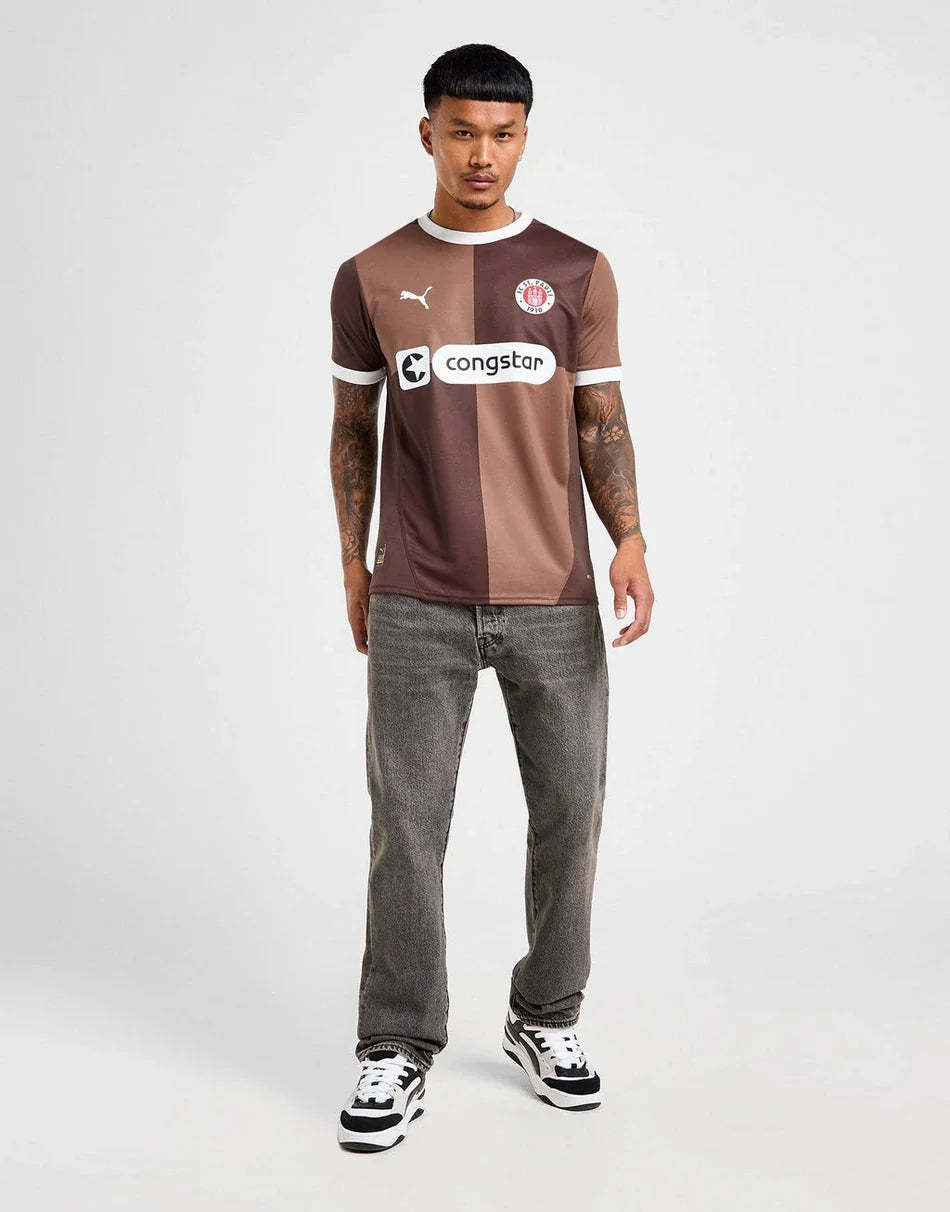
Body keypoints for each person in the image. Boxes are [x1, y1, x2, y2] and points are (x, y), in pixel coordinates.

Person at [329, 43, 654, 1153]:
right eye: (462, 132)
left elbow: (600, 421)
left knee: (569, 813)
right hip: (417, 594)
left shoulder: (575, 271)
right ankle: (396, 1040)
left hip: (553, 596)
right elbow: (353, 427)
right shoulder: (370, 275)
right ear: (427, 133)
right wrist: (352, 561)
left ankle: (545, 1016)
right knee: (406, 829)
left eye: (503, 134)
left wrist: (629, 538)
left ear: (525, 137)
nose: (482, 154)